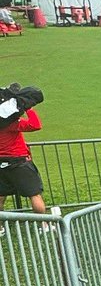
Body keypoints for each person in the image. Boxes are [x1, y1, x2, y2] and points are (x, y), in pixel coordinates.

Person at [0, 84, 47, 215]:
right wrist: (28, 107)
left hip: (1, 163)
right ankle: (43, 225)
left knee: (0, 197)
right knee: (34, 195)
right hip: (18, 162)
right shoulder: (13, 124)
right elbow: (35, 125)